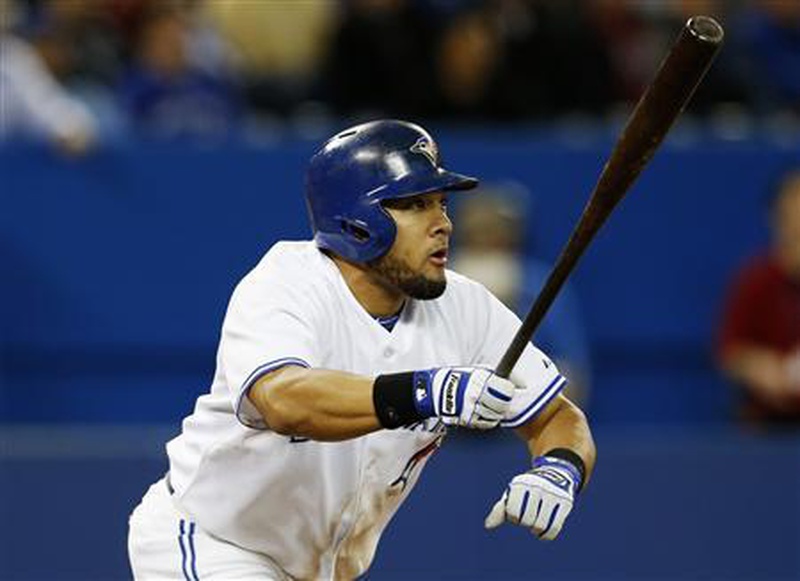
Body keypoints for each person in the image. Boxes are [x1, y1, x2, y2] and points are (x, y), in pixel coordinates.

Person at [127, 120, 597, 580]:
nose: (443, 224)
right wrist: (426, 391)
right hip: (213, 542)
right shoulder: (288, 281)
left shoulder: (467, 306)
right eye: (416, 204)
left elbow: (558, 417)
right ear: (357, 223)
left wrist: (559, 468)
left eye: (442, 204)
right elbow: (284, 400)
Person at [717, 168, 800, 428]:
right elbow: (730, 352)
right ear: (776, 218)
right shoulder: (756, 280)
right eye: (792, 211)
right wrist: (761, 368)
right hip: (766, 423)